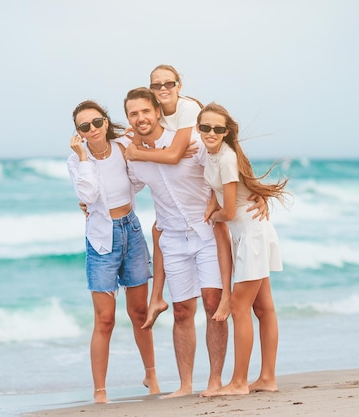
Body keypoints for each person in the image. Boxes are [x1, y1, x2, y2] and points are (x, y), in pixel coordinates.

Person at [124, 64, 266, 330]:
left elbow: (216, 155)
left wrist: (255, 192)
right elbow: (126, 179)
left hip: (210, 227)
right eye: (157, 86)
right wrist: (91, 201)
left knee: (253, 302)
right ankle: (158, 297)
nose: (164, 89)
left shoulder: (188, 114)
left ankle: (224, 297)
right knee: (159, 230)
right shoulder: (156, 121)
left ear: (179, 85)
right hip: (175, 231)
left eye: (169, 83)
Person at [123, 87, 229, 398]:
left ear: (157, 111)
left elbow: (222, 163)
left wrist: (246, 198)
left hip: (206, 232)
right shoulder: (133, 157)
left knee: (212, 304)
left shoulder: (188, 142)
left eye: (145, 111)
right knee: (182, 310)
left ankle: (215, 381)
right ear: (128, 118)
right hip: (171, 238)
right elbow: (123, 186)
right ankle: (185, 385)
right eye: (133, 114)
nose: (140, 118)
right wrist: (89, 201)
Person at [67, 100, 160, 403]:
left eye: (96, 123)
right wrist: (83, 156)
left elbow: (140, 181)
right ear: (78, 132)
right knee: (105, 319)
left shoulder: (122, 147)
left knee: (140, 312)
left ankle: (152, 375)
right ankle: (100, 391)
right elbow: (88, 195)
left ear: (105, 122)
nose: (92, 129)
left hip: (131, 232)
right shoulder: (76, 161)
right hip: (101, 241)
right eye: (84, 127)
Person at [197, 102, 288, 396]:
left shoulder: (226, 158)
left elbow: (231, 210)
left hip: (251, 235)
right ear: (198, 128)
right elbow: (220, 192)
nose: (211, 133)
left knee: (239, 307)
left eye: (218, 129)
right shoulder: (211, 155)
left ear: (226, 132)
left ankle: (238, 383)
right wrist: (213, 201)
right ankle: (267, 378)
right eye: (205, 127)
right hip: (247, 235)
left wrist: (213, 213)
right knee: (263, 308)